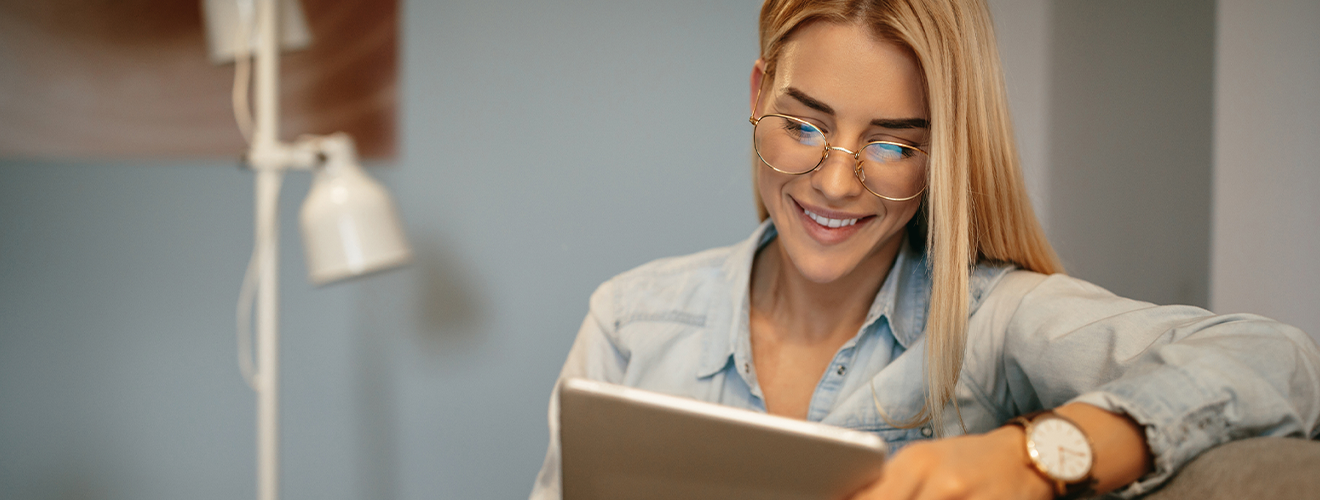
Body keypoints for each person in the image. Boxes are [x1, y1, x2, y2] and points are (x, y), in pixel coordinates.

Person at [529, 0, 1320, 498]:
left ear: (944, 153)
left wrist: (1035, 457)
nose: (835, 183)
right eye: (804, 125)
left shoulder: (993, 320)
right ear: (757, 96)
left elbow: (1274, 359)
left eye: (892, 145)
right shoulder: (631, 322)